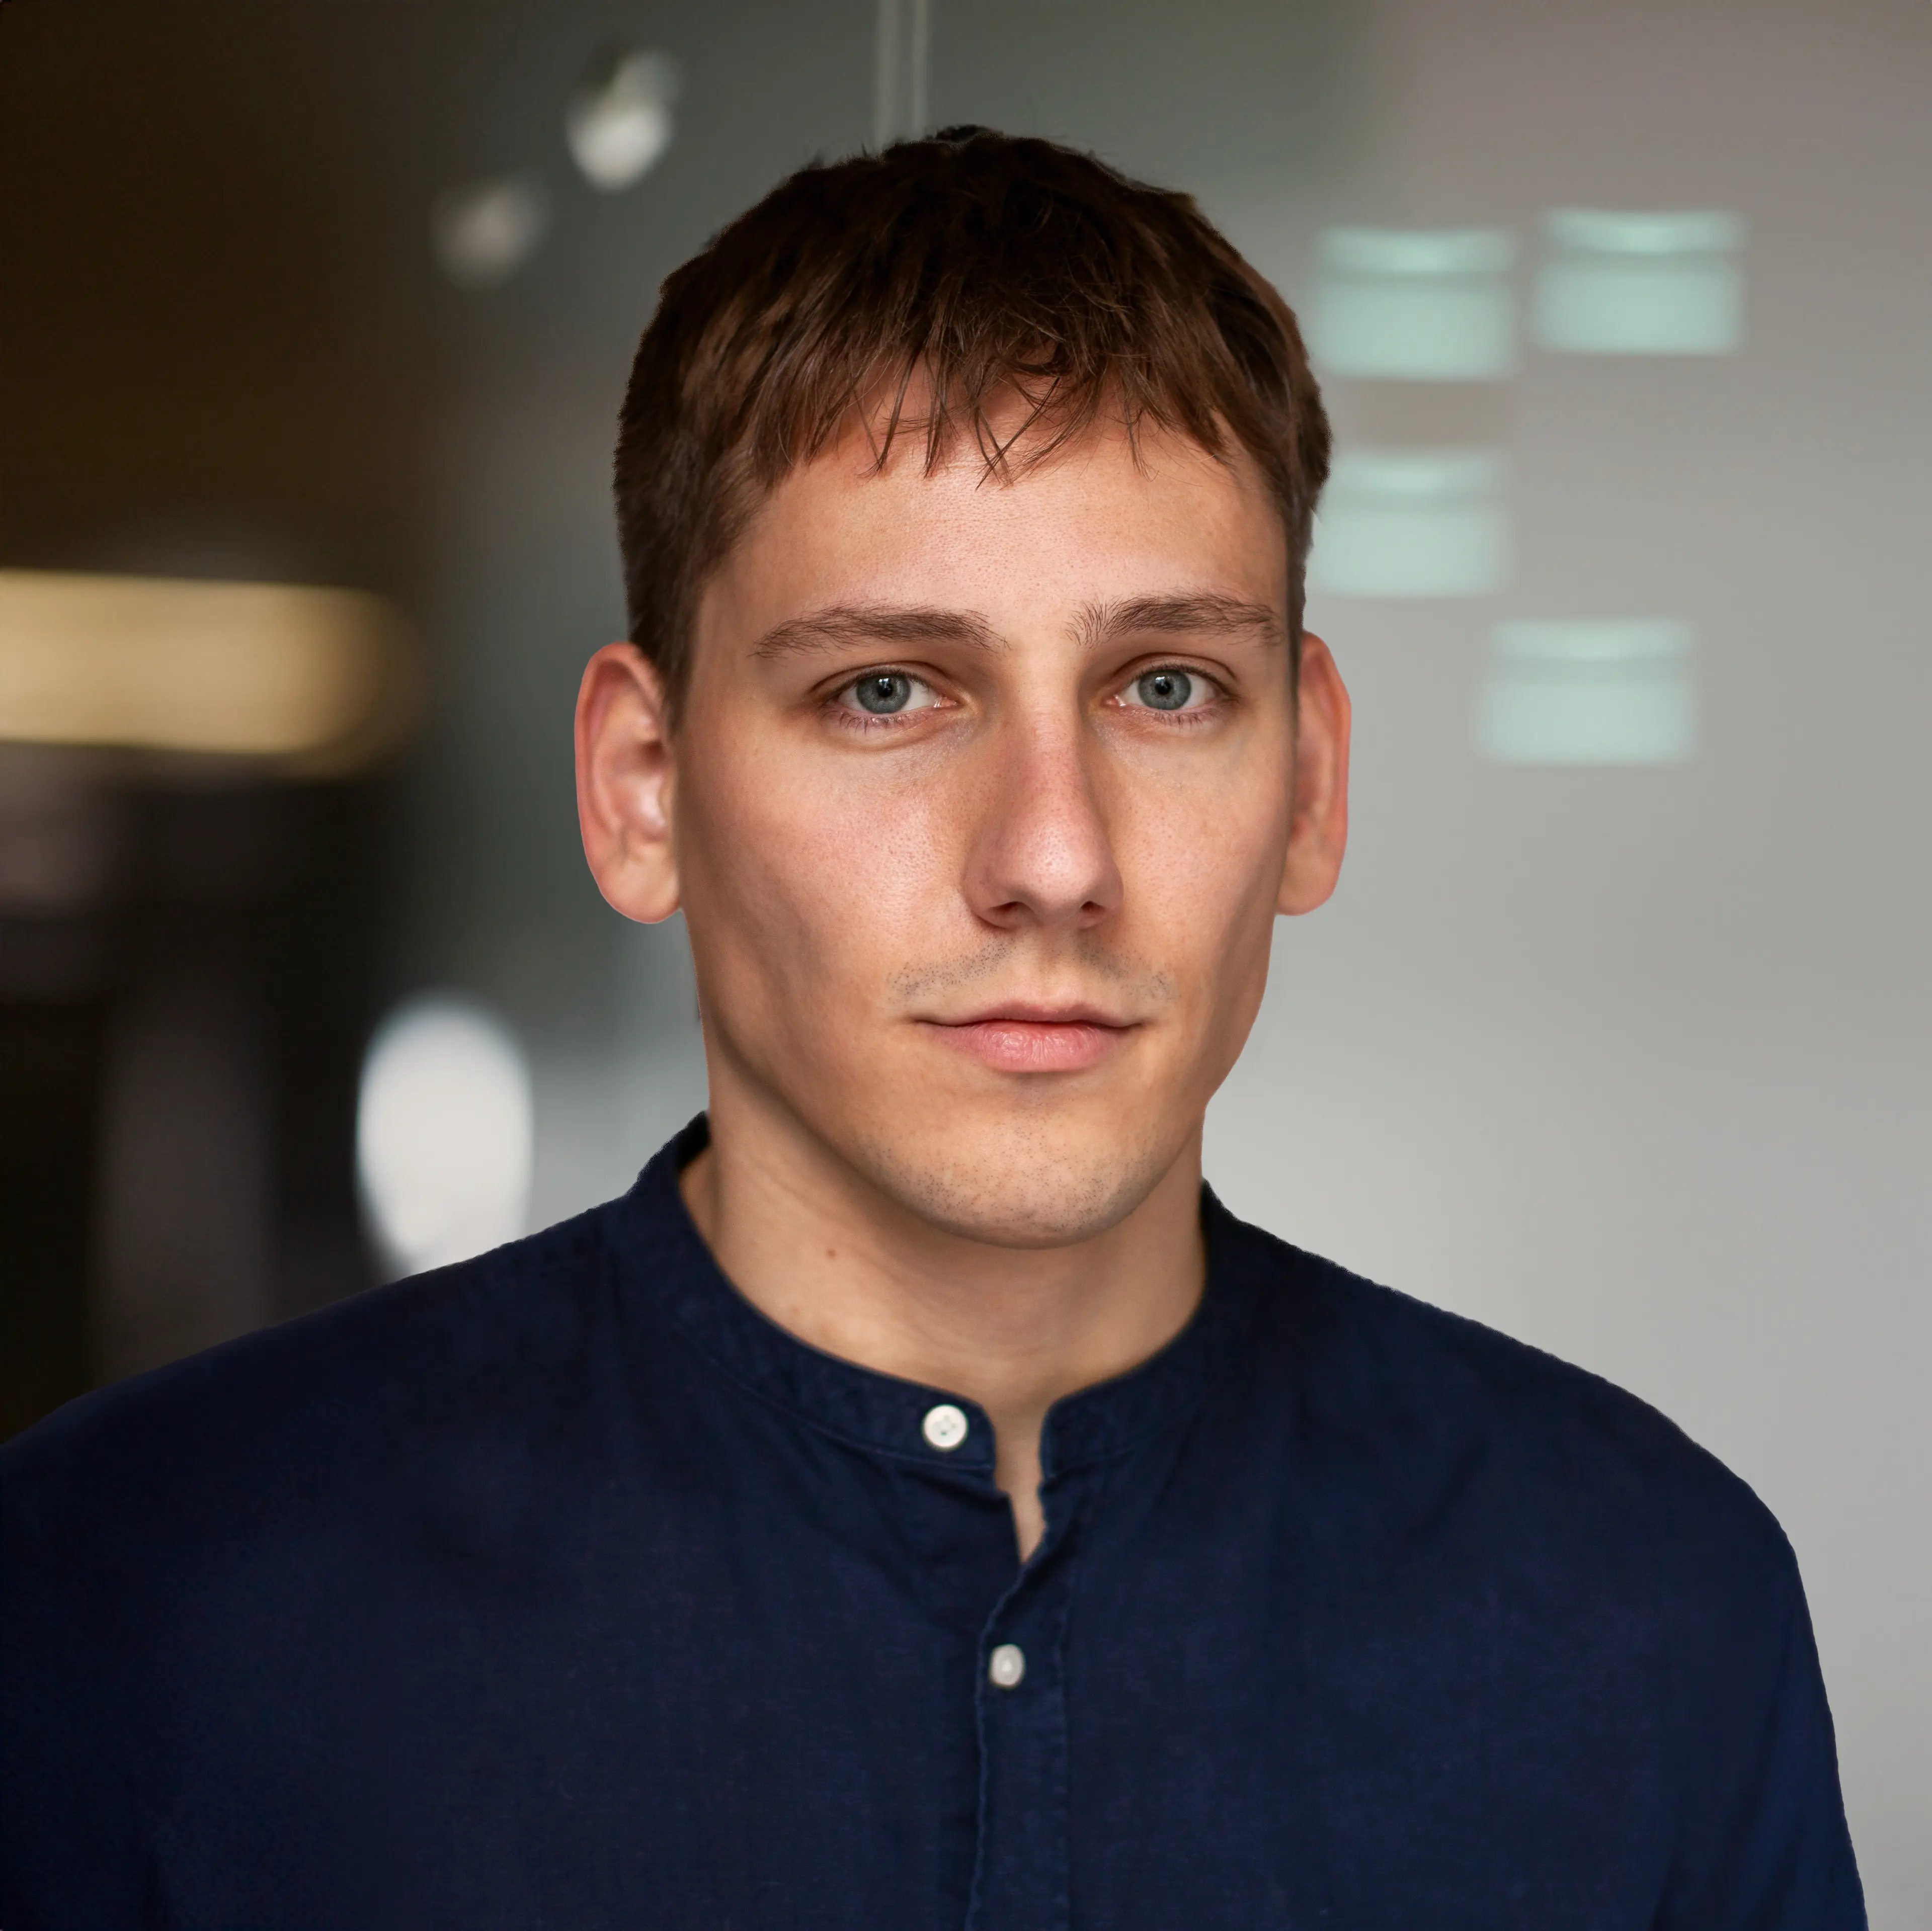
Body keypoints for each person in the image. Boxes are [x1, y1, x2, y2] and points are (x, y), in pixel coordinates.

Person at [2, 129, 1863, 1928]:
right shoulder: (144, 1589)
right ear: (644, 787)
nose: (1053, 858)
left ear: (1309, 785)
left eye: (1166, 686)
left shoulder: (1644, 1604)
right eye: (889, 688)